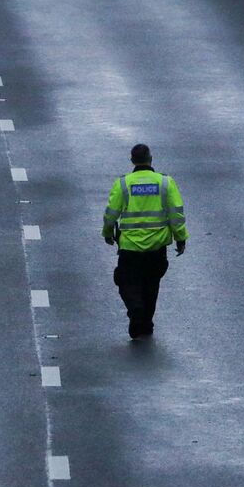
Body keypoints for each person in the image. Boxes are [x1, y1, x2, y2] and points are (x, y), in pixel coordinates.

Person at [102, 144, 188, 340]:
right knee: (151, 285)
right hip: (157, 247)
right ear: (151, 159)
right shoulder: (165, 182)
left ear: (132, 161)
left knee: (126, 281)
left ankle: (136, 309)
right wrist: (181, 238)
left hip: (130, 246)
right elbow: (176, 214)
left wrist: (107, 233)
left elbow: (111, 214)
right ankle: (145, 323)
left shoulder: (123, 184)